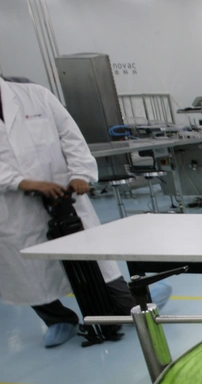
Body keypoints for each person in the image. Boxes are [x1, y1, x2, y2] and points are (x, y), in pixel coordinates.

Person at [0, 77, 171, 348]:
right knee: (28, 274)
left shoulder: (36, 96)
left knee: (96, 264)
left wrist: (80, 173)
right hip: (13, 208)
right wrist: (21, 182)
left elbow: (71, 136)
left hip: (66, 195)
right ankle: (59, 320)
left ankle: (135, 302)